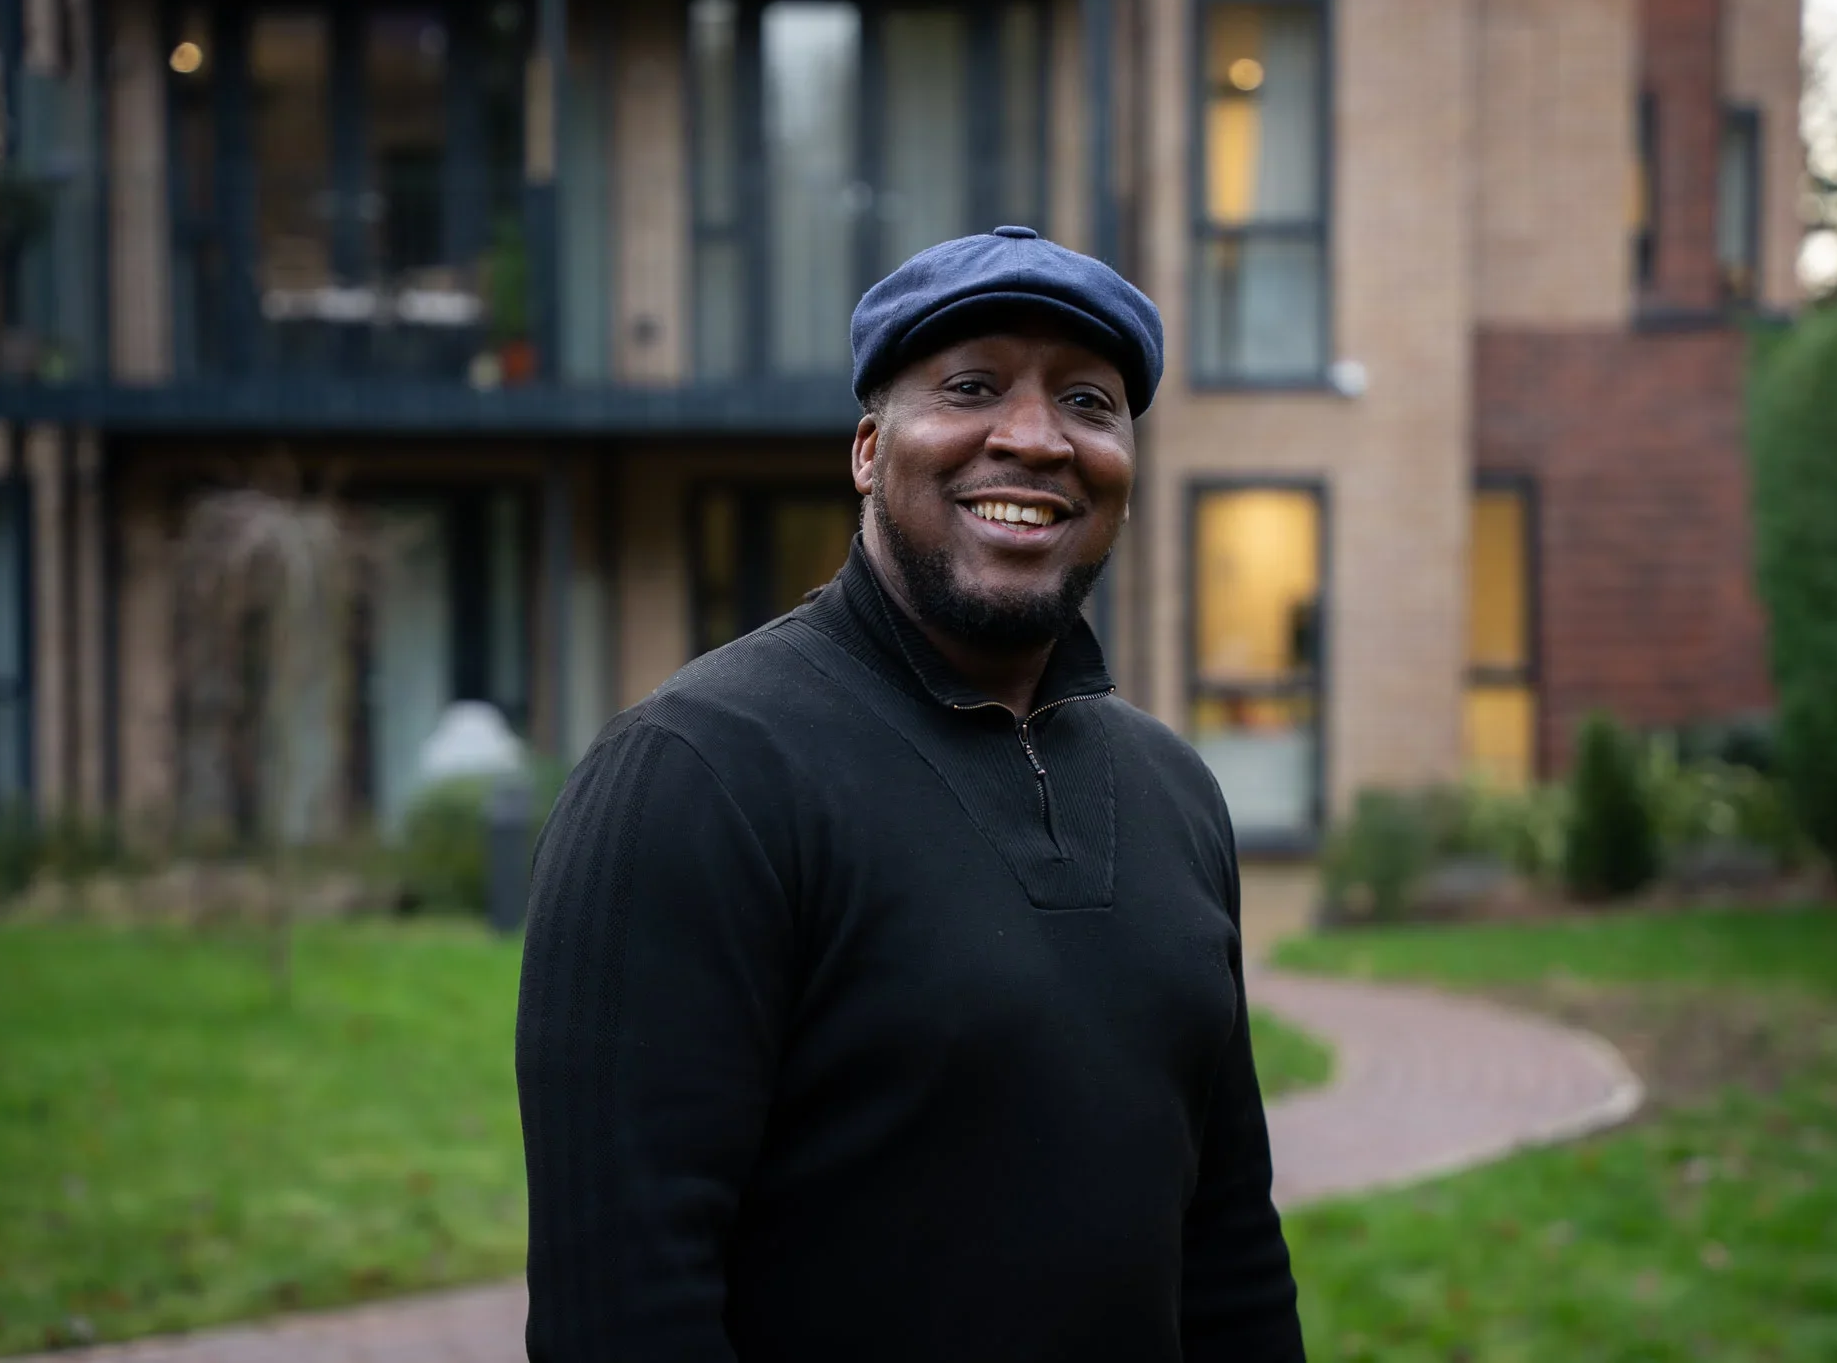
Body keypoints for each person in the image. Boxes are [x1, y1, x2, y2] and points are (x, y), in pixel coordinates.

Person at [516, 225, 1305, 1362]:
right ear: (869, 449)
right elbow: (623, 1314)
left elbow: (1230, 1249)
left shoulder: (1173, 789)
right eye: (972, 386)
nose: (1035, 438)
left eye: (1089, 402)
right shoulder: (694, 774)